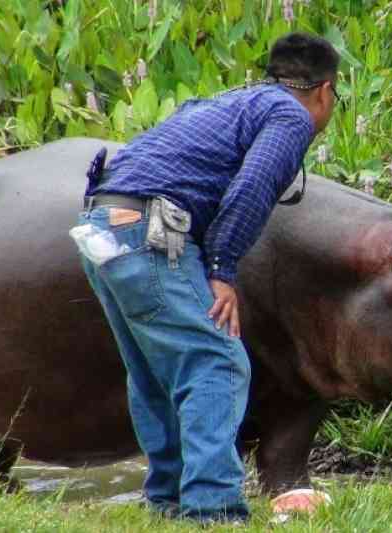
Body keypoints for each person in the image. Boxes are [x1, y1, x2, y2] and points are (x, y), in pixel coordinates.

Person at [72, 32, 340, 524]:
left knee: (155, 372)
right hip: (148, 232)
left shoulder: (227, 102)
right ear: (324, 91)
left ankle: (169, 502)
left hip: (102, 225)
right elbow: (253, 187)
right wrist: (222, 268)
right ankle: (213, 508)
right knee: (218, 361)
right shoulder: (289, 116)